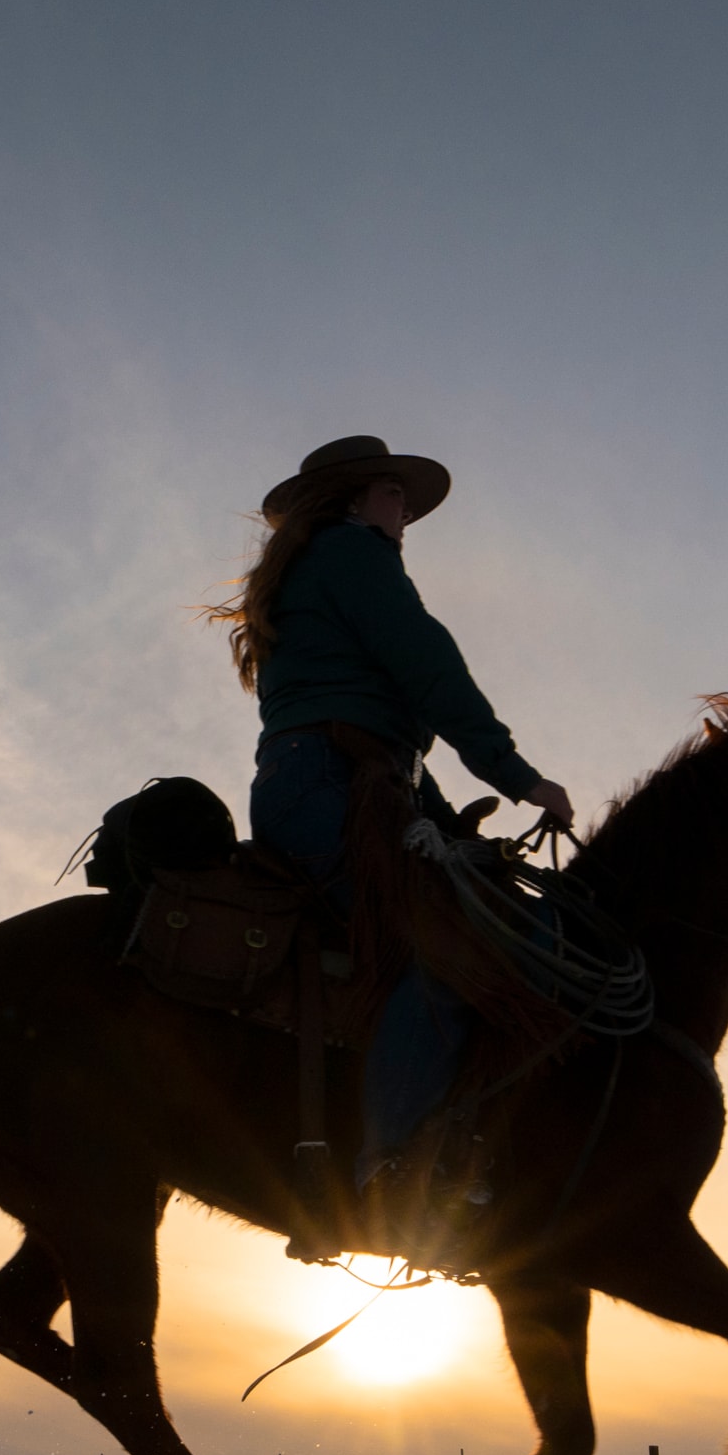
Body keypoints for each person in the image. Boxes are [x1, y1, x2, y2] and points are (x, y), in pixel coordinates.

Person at [211, 435, 578, 1210]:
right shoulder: (353, 553)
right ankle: (397, 1165)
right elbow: (429, 666)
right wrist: (517, 776)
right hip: (333, 785)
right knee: (457, 947)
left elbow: (383, 727)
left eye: (405, 499)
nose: (403, 509)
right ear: (350, 501)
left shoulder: (312, 570)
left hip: (328, 780)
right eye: (391, 492)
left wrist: (440, 813)